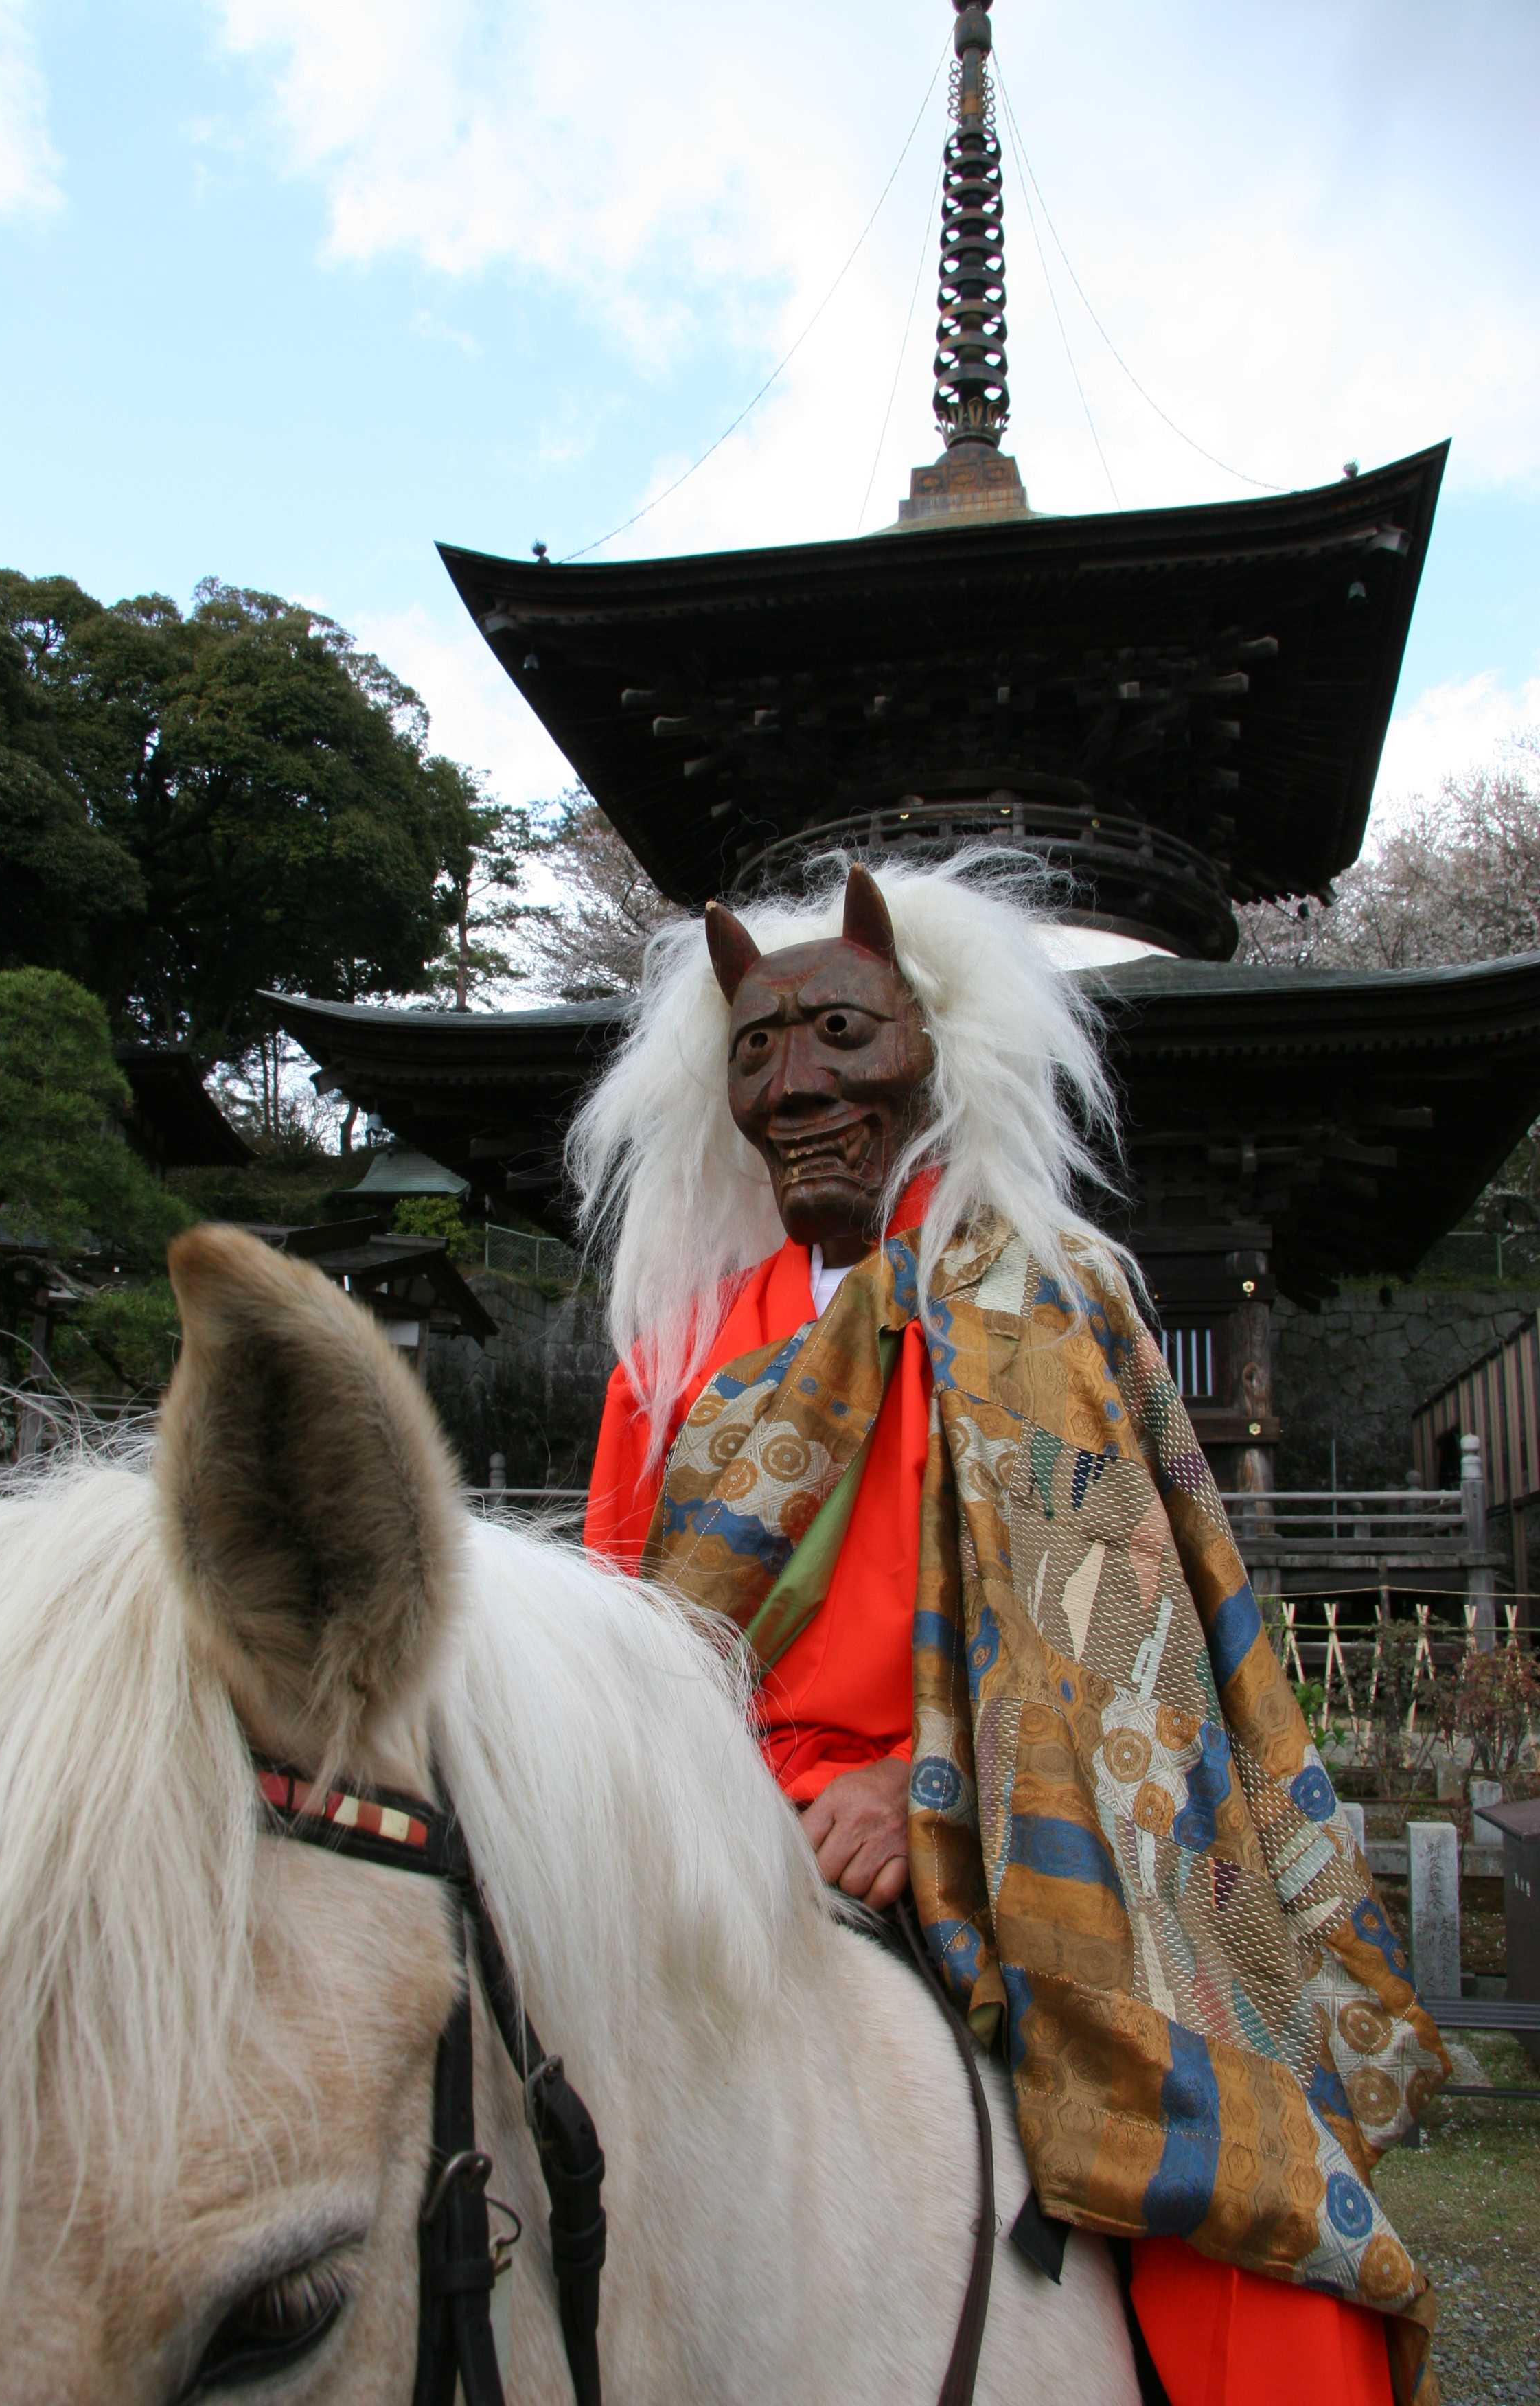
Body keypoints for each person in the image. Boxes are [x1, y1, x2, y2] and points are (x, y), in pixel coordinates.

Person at [578, 854, 1445, 2406]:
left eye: (839, 1037)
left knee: (1259, 2254)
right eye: (757, 1054)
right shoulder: (673, 1353)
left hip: (1018, 1825)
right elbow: (614, 1641)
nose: (793, 1090)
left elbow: (1118, 1640)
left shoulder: (1045, 1299)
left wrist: (925, 1786)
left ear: (935, 1048)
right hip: (704, 1828)